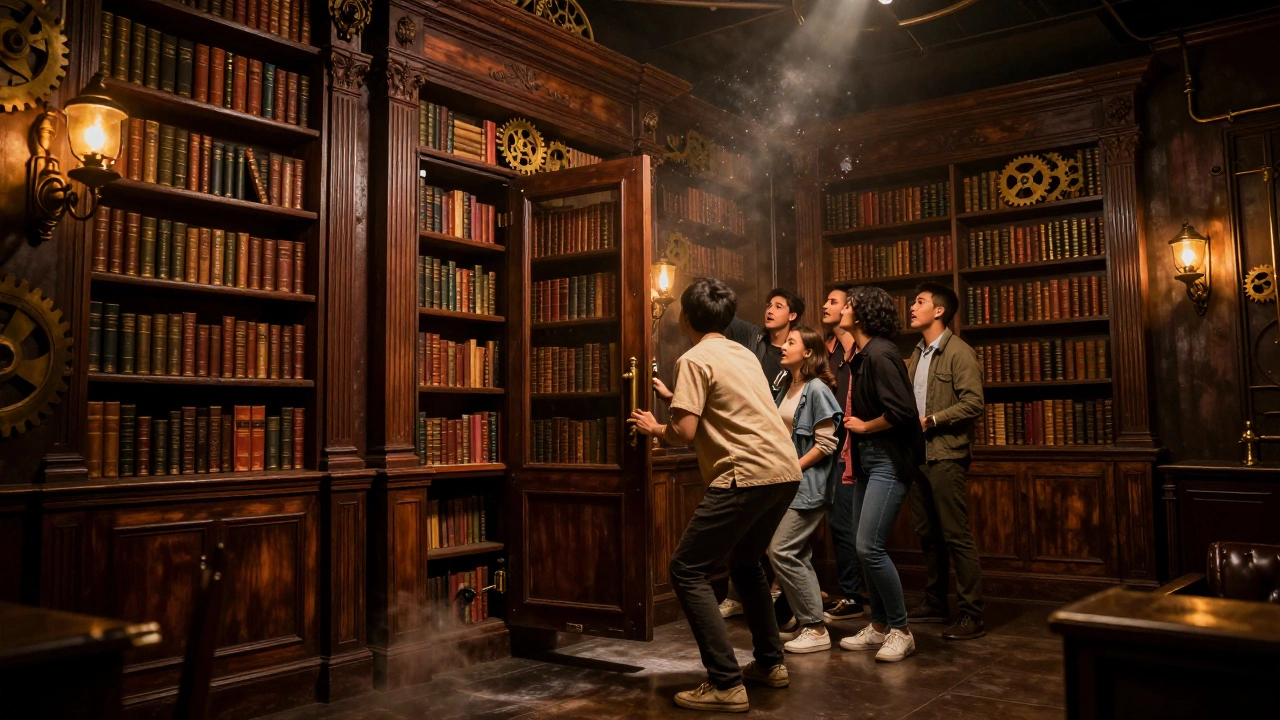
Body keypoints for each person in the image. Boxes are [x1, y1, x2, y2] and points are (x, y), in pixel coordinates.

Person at [630, 278, 802, 713]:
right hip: (784, 470)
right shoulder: (742, 352)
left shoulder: (692, 358)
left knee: (686, 569)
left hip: (744, 473)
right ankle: (770, 664)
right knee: (745, 562)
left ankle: (726, 682)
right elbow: (735, 408)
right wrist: (677, 401)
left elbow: (684, 433)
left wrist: (655, 427)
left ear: (684, 317)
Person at [835, 286, 924, 663]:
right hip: (869, 459)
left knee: (869, 547)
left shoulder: (881, 353)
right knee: (862, 545)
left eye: (848, 304)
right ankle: (878, 626)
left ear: (864, 313)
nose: (841, 309)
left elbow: (903, 412)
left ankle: (901, 630)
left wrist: (864, 427)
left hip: (887, 458)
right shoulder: (863, 353)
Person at [905, 282, 987, 640]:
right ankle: (935, 601)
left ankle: (972, 614)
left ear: (939, 311)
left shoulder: (959, 352)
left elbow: (974, 403)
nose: (911, 306)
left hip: (947, 455)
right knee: (927, 533)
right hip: (917, 456)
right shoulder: (916, 354)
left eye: (919, 301)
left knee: (956, 535)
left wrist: (931, 420)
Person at [767, 326, 843, 654]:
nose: (784, 346)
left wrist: (792, 468)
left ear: (808, 352)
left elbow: (826, 443)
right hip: (786, 484)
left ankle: (814, 625)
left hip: (807, 486)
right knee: (797, 553)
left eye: (792, 342)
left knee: (781, 549)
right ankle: (807, 623)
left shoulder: (816, 389)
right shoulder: (786, 384)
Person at [818, 283, 871, 623]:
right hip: (825, 447)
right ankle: (849, 592)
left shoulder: (861, 351)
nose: (825, 305)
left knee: (851, 525)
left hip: (856, 448)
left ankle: (855, 595)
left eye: (833, 301)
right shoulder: (827, 349)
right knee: (836, 524)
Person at [724, 288, 805, 394]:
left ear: (792, 316)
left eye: (778, 307)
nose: (770, 311)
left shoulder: (799, 348)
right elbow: (727, 318)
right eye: (769, 306)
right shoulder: (755, 336)